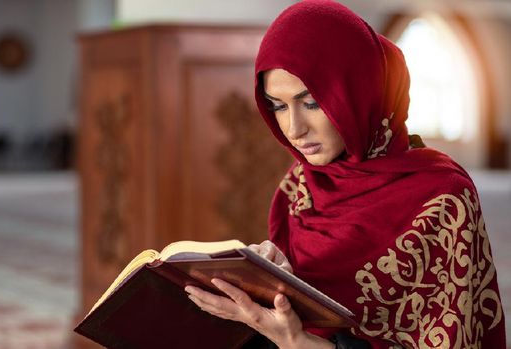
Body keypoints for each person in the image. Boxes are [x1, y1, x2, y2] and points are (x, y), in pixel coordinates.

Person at [184, 0, 506, 348]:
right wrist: (273, 285)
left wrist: (299, 341)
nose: (294, 128)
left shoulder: (443, 199)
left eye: (312, 103)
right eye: (278, 106)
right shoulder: (299, 187)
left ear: (359, 91)